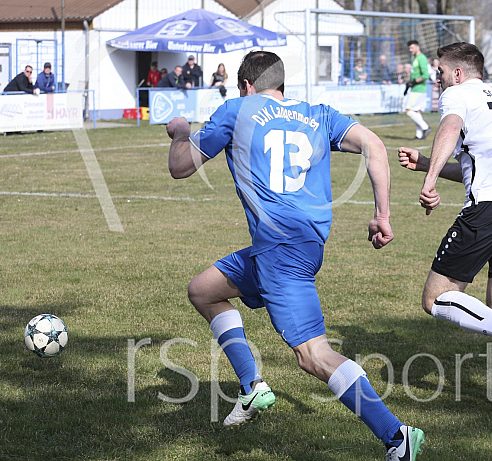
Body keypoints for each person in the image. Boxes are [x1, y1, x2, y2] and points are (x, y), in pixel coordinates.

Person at [167, 50, 425, 461]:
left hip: (281, 249)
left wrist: (180, 131)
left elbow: (181, 166)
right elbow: (374, 145)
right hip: (295, 242)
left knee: (314, 355)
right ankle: (252, 387)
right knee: (203, 290)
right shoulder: (318, 114)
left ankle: (397, 436)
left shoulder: (238, 109)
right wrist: (382, 213)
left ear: (247, 86)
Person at [397, 42, 492, 419]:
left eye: (441, 72)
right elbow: (475, 160)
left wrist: (429, 181)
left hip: (490, 204)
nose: (438, 79)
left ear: (458, 73)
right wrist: (427, 164)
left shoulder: (457, 94)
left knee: (436, 298)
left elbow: (450, 127)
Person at [404, 40, 431, 139]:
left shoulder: (421, 58)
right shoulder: (415, 58)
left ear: (417, 47)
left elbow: (425, 75)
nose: (410, 50)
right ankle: (419, 135)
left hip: (418, 89)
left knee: (408, 110)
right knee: (416, 112)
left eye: (412, 48)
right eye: (409, 48)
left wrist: (414, 82)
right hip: (416, 88)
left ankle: (425, 127)